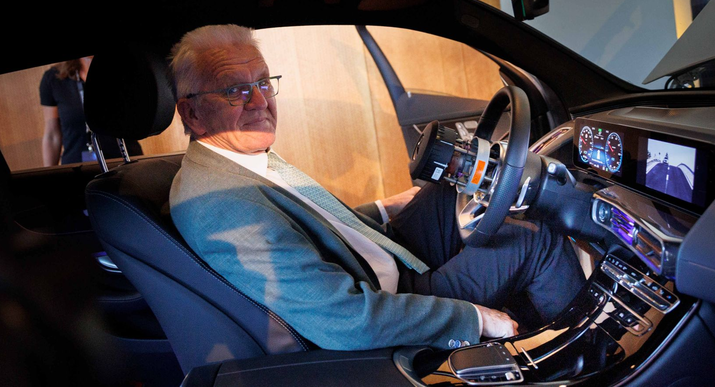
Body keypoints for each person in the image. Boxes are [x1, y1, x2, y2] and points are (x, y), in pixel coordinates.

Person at [168, 24, 584, 351]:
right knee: (536, 238)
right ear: (193, 112)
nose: (260, 101)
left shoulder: (229, 158)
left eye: (263, 83)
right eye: (236, 91)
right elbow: (343, 320)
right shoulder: (218, 204)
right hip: (391, 297)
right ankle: (588, 348)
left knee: (449, 186)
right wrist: (473, 319)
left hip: (385, 256)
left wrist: (385, 207)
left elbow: (307, 225)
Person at [40, 57, 142, 165]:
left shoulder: (123, 69)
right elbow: (52, 135)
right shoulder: (53, 78)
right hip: (78, 167)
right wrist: (49, 178)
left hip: (126, 163)